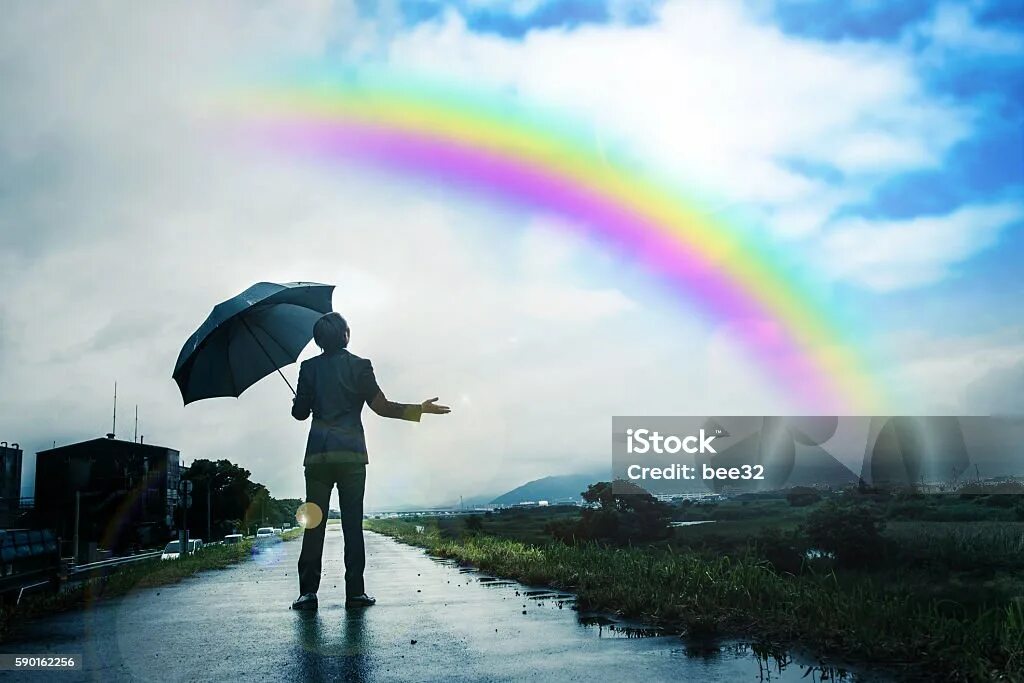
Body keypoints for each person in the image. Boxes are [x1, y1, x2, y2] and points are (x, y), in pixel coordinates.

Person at [290, 312, 450, 610]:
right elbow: (382, 407)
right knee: (352, 525)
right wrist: (421, 409)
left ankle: (307, 593)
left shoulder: (308, 368)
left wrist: (301, 402)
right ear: (345, 335)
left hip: (318, 458)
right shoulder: (360, 366)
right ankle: (355, 593)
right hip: (351, 457)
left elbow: (299, 414)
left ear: (318, 340)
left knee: (314, 525)